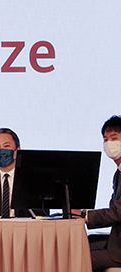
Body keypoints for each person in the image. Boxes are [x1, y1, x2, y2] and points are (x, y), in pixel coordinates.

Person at [81, 115, 121, 271]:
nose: (109, 144)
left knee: (75, 258)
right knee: (80, 244)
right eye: (105, 139)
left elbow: (117, 213)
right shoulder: (118, 174)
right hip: (116, 241)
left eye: (114, 138)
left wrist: (85, 216)